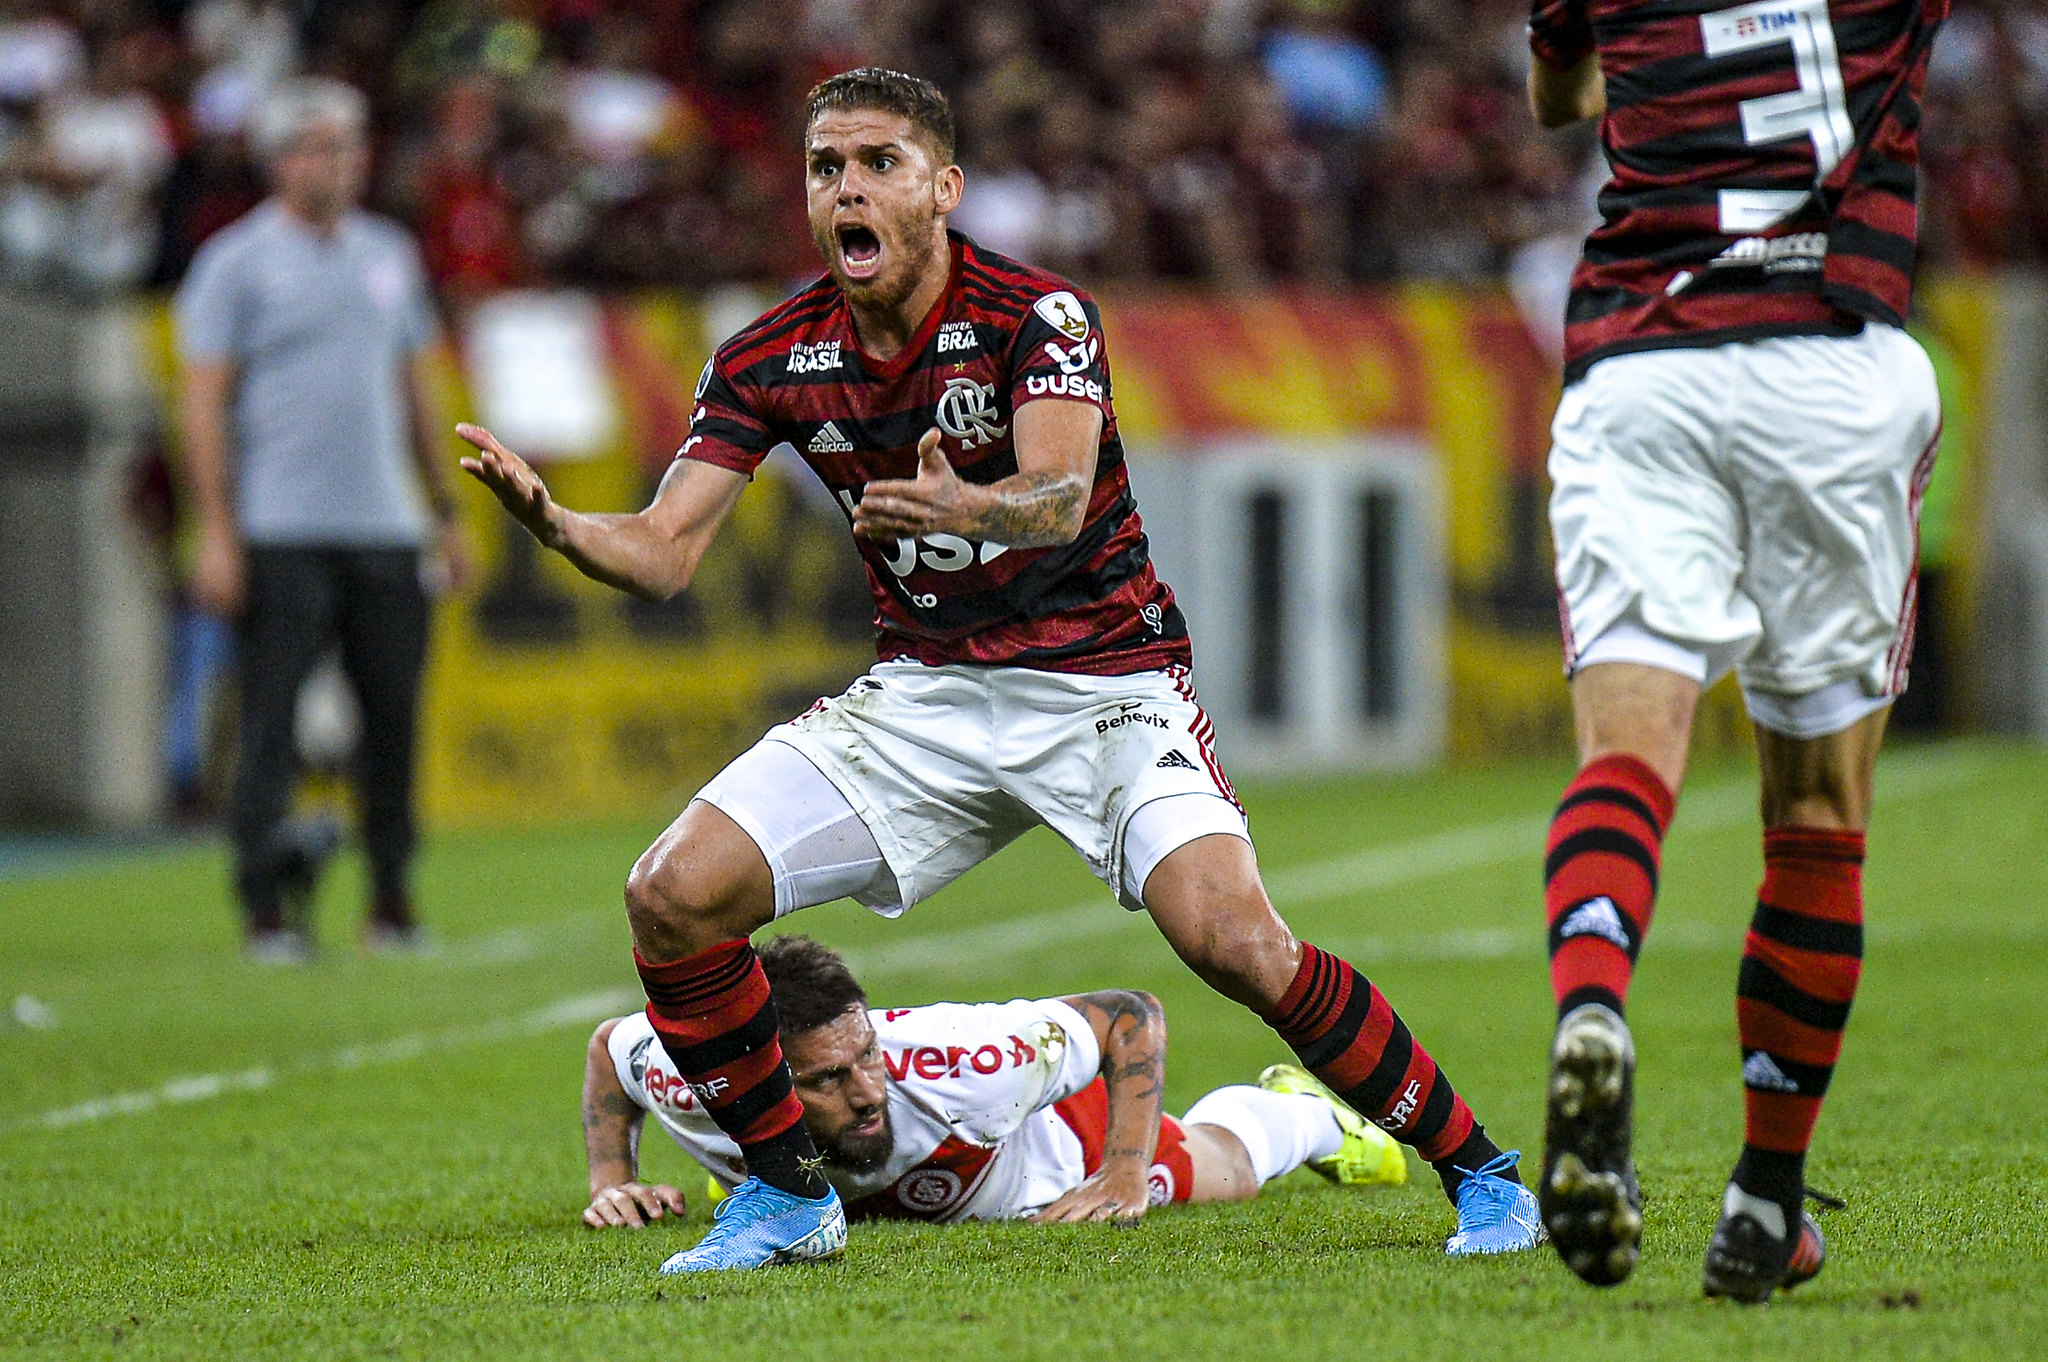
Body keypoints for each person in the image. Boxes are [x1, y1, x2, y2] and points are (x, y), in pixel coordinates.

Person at [461, 67, 1545, 1272]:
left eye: (878, 163)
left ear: (943, 186)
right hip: (925, 694)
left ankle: (1482, 1174)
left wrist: (963, 506)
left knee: (1235, 944)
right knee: (670, 893)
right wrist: (560, 524)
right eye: (826, 167)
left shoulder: (1037, 314)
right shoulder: (772, 352)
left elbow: (1058, 495)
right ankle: (787, 1197)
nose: (847, 189)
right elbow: (663, 551)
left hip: (1103, 684)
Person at [1524, 0, 1948, 1300]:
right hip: (1832, 366)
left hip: (1649, 364)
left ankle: (1593, 997)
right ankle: (1765, 1200)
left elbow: (1558, 100)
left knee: (1630, 757)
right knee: (1818, 812)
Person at [579, 935, 1406, 1265]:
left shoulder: (970, 1066)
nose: (869, 1092)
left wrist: (1123, 1174)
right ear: (754, 1078)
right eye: (827, 1079)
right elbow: (608, 1048)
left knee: (1219, 1168)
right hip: (863, 1181)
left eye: (866, 1055)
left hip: (1026, 1156)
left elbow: (1130, 1015)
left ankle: (1306, 1111)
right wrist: (613, 1181)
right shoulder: (688, 1071)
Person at [175, 77, 468, 963]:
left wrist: (444, 511)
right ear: (278, 160)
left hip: (384, 523)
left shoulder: (388, 252)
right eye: (317, 146)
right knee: (269, 721)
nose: (337, 162)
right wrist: (216, 529)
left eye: (348, 145)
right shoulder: (234, 262)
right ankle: (263, 908)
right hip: (280, 526)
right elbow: (201, 404)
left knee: (393, 722)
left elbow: (418, 387)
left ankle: (391, 897)